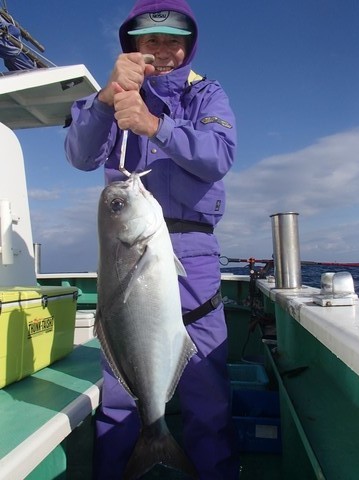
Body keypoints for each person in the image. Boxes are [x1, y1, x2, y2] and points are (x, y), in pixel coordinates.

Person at [65, 0, 240, 478]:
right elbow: (80, 154)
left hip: (194, 253)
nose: (163, 51)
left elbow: (218, 154)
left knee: (207, 391)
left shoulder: (206, 95)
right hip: (126, 253)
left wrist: (154, 125)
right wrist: (107, 99)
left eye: (173, 41)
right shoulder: (112, 97)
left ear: (189, 45)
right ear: (132, 46)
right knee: (121, 397)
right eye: (151, 41)